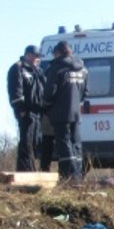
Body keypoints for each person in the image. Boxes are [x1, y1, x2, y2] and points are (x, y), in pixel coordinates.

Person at [42, 41, 87, 184]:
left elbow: (49, 92)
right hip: (76, 113)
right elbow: (85, 93)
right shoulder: (82, 69)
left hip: (60, 113)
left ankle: (67, 176)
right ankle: (77, 176)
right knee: (76, 143)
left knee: (64, 144)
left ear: (58, 53)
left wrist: (46, 105)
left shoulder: (56, 68)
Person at [7, 45, 44, 171]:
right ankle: (25, 170)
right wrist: (21, 109)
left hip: (37, 112)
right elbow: (15, 91)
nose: (38, 59)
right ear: (28, 55)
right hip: (25, 111)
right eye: (36, 56)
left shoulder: (37, 70)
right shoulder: (18, 68)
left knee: (34, 142)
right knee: (26, 141)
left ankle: (30, 168)